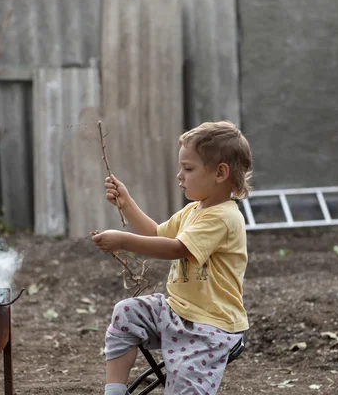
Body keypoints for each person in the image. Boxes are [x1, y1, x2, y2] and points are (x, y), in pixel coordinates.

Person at [92, 121, 253, 395]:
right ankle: (115, 390)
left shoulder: (223, 217)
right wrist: (126, 203)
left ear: (220, 173)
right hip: (176, 311)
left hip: (210, 327)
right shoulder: (194, 210)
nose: (180, 175)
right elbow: (156, 233)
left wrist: (122, 241)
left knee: (185, 386)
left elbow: (177, 249)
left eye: (188, 169)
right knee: (127, 312)